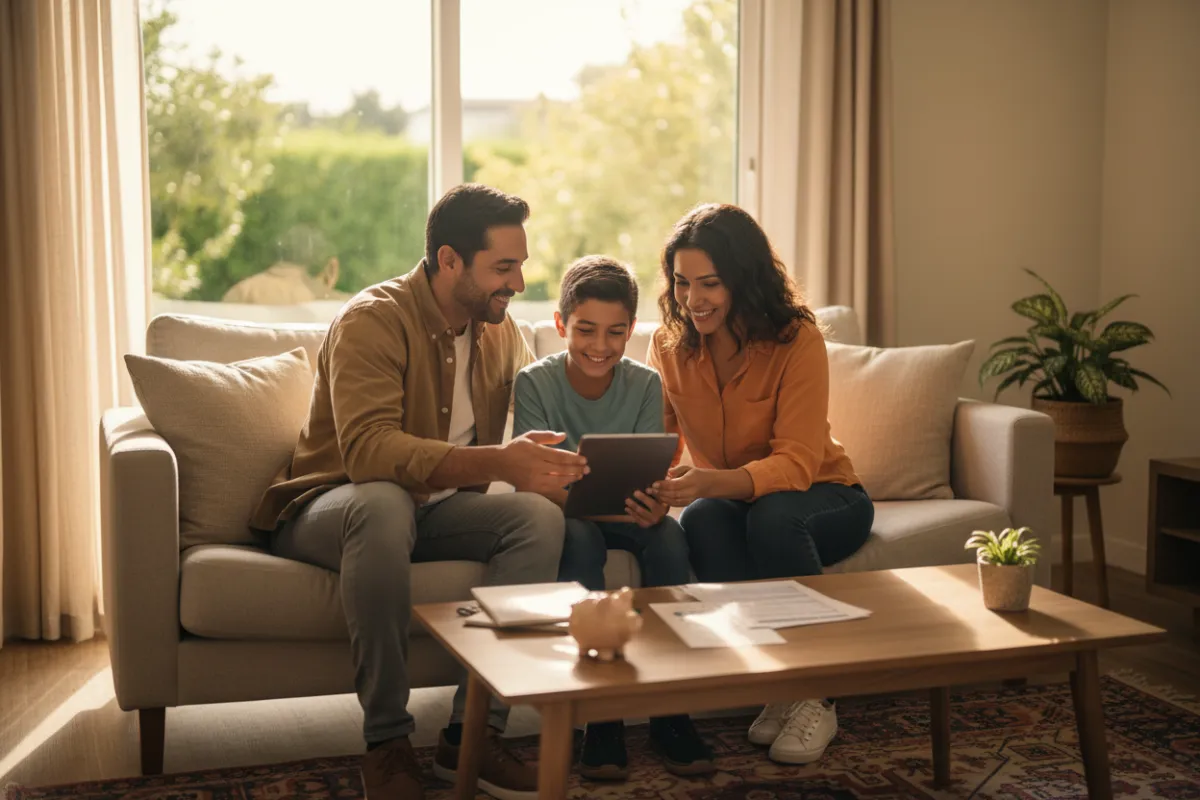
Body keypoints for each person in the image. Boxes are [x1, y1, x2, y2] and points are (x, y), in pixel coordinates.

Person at [249, 184, 590, 800]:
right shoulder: (372, 320)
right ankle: (387, 743)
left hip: (437, 509)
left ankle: (473, 737)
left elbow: (507, 437)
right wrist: (495, 459)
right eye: (503, 268)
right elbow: (369, 453)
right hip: (333, 503)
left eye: (520, 266)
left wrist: (540, 457)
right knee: (382, 501)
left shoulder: (499, 331)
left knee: (536, 519)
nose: (516, 283)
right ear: (450, 260)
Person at [646, 203, 874, 767]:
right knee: (699, 519)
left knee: (773, 515)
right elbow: (663, 444)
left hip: (828, 498)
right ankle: (779, 681)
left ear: (743, 281)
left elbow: (796, 465)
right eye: (681, 283)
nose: (692, 299)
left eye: (710, 284)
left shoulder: (797, 338)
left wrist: (709, 481)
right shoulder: (670, 347)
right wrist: (653, 485)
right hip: (735, 500)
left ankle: (816, 693)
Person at [511, 256, 714, 781]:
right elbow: (535, 476)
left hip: (627, 511)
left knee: (669, 538)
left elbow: (652, 465)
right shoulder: (533, 382)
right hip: (569, 514)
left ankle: (672, 710)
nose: (599, 346)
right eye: (585, 330)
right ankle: (600, 714)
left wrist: (656, 500)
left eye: (615, 332)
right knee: (578, 541)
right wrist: (572, 493)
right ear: (561, 325)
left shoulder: (646, 384)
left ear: (630, 332)